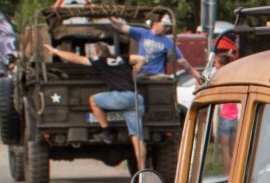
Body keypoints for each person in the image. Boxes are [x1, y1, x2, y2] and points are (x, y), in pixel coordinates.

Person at [43, 41, 149, 169]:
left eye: (93, 52)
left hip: (120, 97)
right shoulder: (122, 58)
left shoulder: (100, 60)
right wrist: (133, 73)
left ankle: (106, 131)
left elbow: (76, 58)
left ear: (98, 53)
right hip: (135, 98)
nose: (92, 55)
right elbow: (141, 58)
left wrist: (56, 52)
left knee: (93, 100)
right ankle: (142, 168)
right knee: (137, 137)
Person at [111, 13, 195, 79]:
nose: (166, 29)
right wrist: (109, 16)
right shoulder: (143, 33)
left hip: (156, 75)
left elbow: (182, 61)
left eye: (168, 27)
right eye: (164, 26)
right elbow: (122, 27)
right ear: (156, 23)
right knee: (129, 79)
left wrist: (196, 75)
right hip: (141, 72)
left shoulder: (168, 42)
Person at [212, 51, 241, 164]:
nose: (215, 65)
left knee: (225, 149)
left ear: (222, 65)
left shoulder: (220, 77)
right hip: (234, 116)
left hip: (224, 116)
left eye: (216, 63)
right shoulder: (233, 76)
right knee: (234, 149)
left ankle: (227, 175)